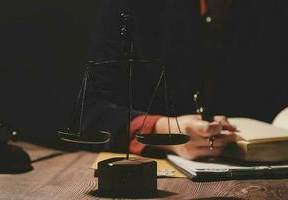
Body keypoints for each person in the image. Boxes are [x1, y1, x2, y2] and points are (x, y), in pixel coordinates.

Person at [82, 0, 240, 160]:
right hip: (151, 168)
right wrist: (162, 130)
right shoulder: (133, 7)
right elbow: (89, 114)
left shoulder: (254, 12)